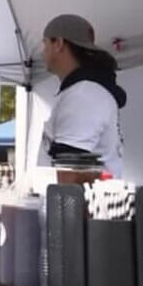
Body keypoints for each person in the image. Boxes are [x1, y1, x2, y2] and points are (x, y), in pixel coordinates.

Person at [39, 13, 127, 176]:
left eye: (45, 44)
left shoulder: (83, 95)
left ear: (58, 43)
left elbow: (70, 173)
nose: (42, 52)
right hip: (79, 199)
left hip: (76, 201)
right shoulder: (84, 91)